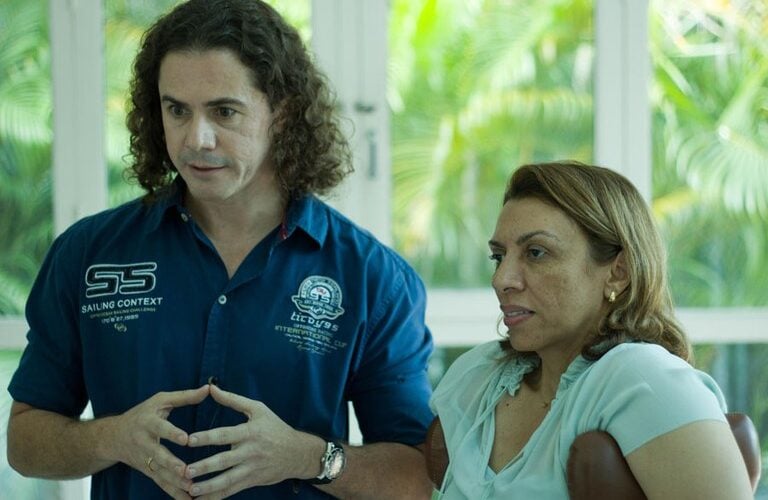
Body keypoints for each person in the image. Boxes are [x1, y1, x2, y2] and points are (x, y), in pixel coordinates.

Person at [6, 1, 434, 498]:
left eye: (224, 112)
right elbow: (24, 443)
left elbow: (416, 477)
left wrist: (306, 456)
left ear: (282, 112)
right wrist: (112, 437)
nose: (197, 139)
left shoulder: (373, 278)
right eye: (177, 110)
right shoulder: (88, 254)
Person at [430, 161, 753, 499]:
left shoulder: (643, 380)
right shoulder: (478, 374)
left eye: (536, 253)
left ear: (618, 273)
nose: (501, 280)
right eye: (499, 256)